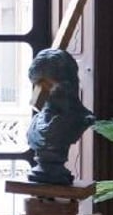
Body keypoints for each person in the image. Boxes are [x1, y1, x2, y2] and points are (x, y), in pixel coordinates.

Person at [26, 48, 94, 184]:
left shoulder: (80, 119)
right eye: (38, 84)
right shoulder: (35, 122)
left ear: (66, 84)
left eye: (48, 84)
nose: (42, 92)